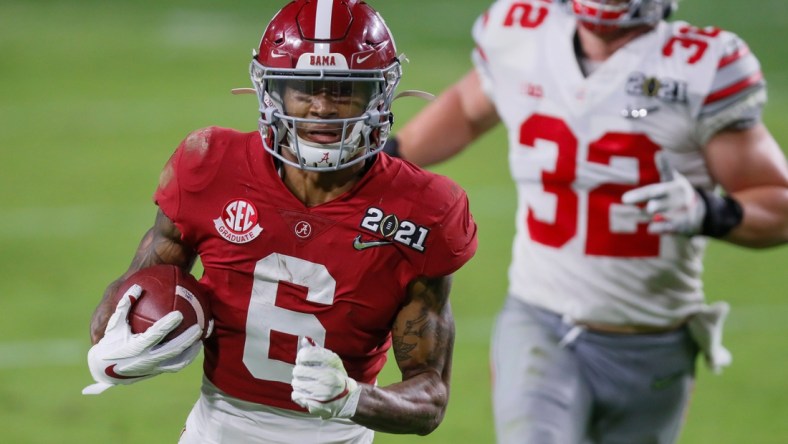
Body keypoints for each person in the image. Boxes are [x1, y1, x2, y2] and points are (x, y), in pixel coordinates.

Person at [384, 0, 788, 443]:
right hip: (540, 320)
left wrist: (707, 212)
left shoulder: (698, 66)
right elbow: (466, 106)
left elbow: (778, 205)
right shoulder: (523, 33)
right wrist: (382, 163)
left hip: (656, 337)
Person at [82, 1, 478, 443]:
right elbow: (126, 299)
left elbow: (430, 397)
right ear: (272, 90)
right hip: (217, 431)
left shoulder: (425, 209)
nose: (323, 107)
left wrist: (352, 398)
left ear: (378, 95)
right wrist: (112, 346)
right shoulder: (209, 165)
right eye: (304, 87)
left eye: (345, 89)